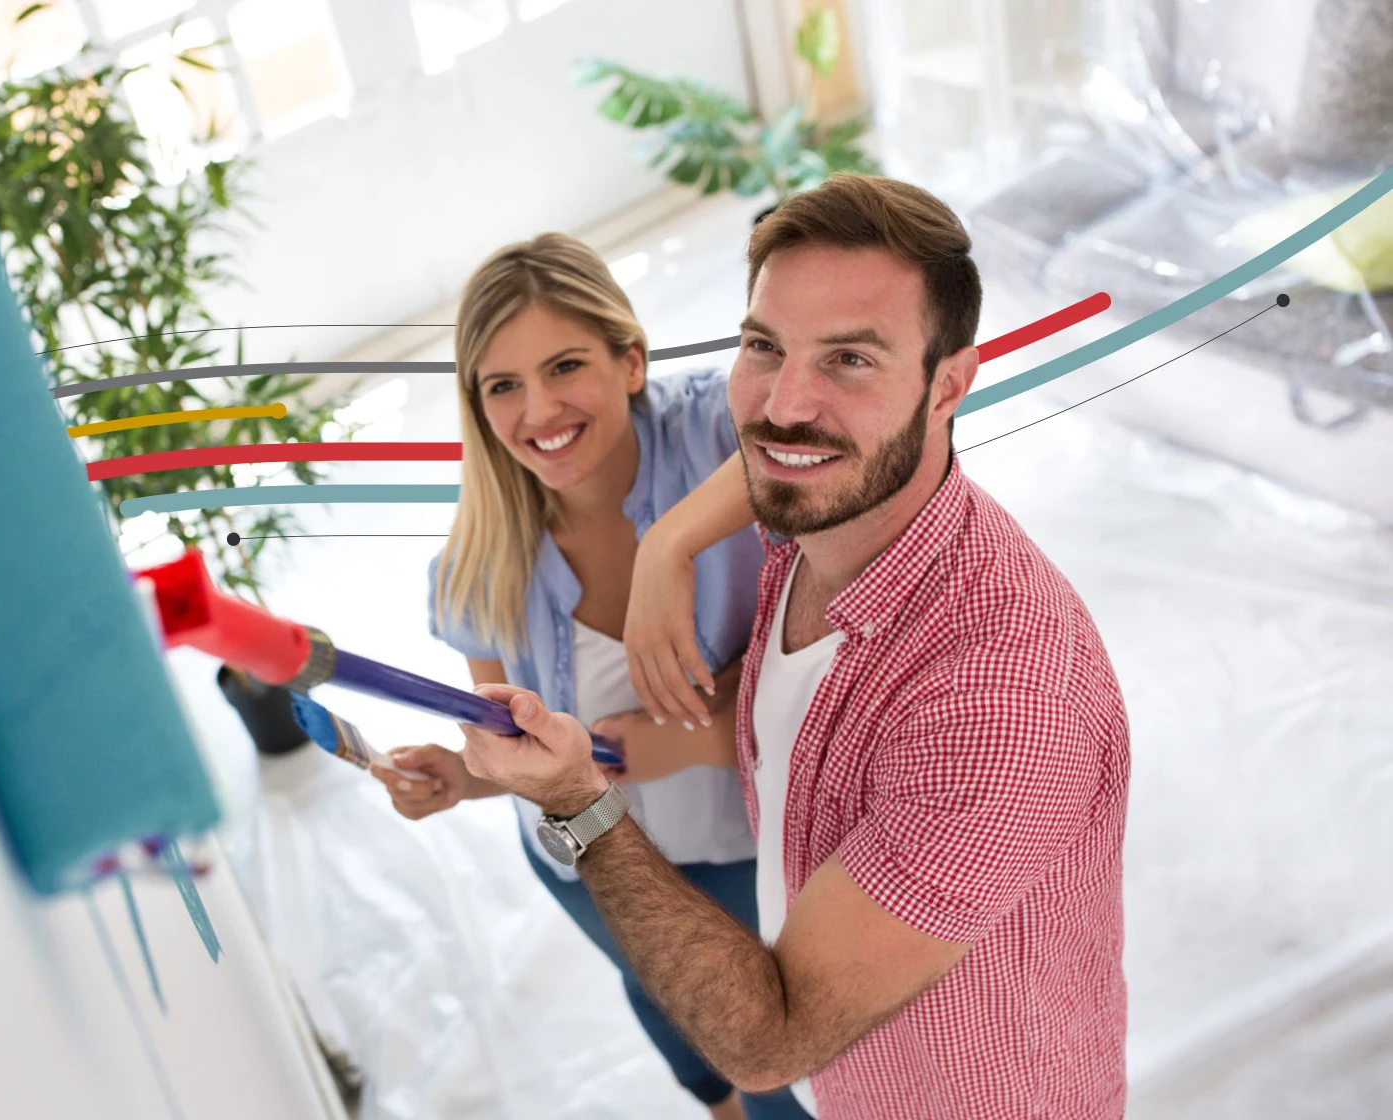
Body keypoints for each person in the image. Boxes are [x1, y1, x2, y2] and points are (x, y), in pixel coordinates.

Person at [456, 175, 1133, 1119]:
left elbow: (767, 1042)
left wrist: (582, 802)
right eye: (764, 346)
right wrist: (673, 542)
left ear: (949, 384)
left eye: (850, 358)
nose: (786, 404)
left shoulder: (1000, 700)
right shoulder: (802, 539)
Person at [369, 232, 810, 1119]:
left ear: (632, 361)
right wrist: (462, 776)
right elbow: (511, 752)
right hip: (599, 868)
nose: (539, 410)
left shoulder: (717, 435)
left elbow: (840, 428)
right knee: (675, 1012)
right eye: (502, 385)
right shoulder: (479, 564)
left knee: (792, 1068)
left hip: (757, 852)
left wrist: (669, 556)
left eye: (565, 365)